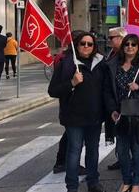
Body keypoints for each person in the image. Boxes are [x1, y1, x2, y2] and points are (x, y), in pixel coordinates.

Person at [48, 32, 107, 192]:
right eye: (83, 43)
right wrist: (72, 83)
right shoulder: (67, 64)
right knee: (74, 151)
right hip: (73, 117)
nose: (86, 47)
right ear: (76, 45)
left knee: (93, 151)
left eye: (90, 44)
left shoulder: (101, 63)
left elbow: (106, 89)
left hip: (95, 117)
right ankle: (72, 187)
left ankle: (93, 182)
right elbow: (53, 90)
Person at [104, 34, 139, 192]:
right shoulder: (113, 66)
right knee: (122, 151)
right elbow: (107, 91)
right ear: (123, 47)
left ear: (138, 47)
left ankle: (136, 182)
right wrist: (112, 110)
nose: (130, 47)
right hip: (120, 114)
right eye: (127, 44)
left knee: (137, 149)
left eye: (133, 44)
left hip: (138, 115)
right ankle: (126, 180)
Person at [105, 26, 126, 171]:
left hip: (126, 100)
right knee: (118, 132)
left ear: (120, 38)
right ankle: (121, 157)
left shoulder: (127, 55)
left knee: (127, 133)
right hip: (113, 100)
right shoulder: (111, 54)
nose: (109, 40)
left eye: (111, 37)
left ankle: (127, 159)